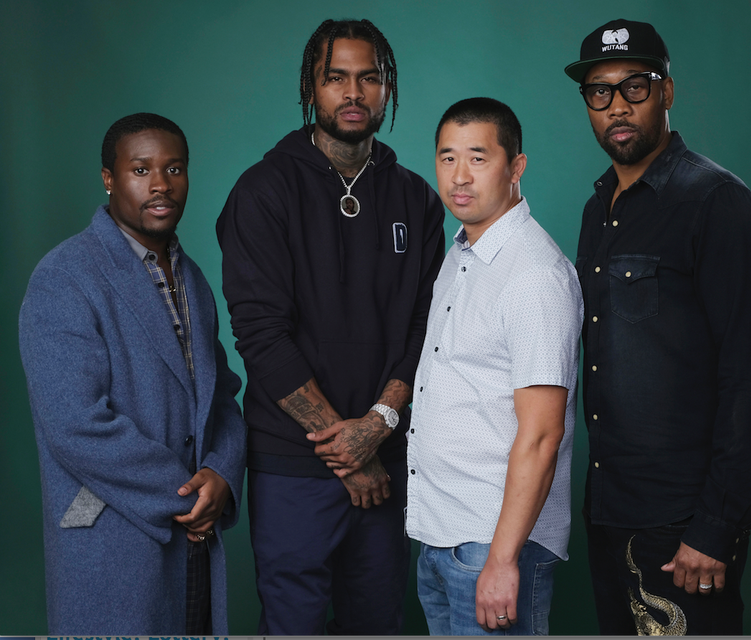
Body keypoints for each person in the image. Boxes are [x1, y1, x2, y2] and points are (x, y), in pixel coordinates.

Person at [216, 18, 446, 635]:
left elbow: (428, 328)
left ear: (387, 88)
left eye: (368, 78)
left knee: (378, 624)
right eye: (335, 78)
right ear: (310, 89)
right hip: (294, 465)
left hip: (389, 463)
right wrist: (346, 452)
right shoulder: (263, 192)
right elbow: (261, 334)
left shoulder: (417, 199)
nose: (353, 93)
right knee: (294, 626)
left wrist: (377, 426)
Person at [565, 19, 751, 635]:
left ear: (667, 91)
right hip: (610, 507)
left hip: (684, 523)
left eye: (635, 85)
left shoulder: (717, 203)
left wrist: (716, 525)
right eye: (599, 92)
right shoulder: (596, 207)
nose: (617, 106)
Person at [18, 113, 247, 634]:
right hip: (114, 538)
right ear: (108, 178)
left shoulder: (193, 278)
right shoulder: (65, 275)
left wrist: (222, 475)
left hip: (194, 541)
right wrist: (189, 495)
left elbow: (224, 400)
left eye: (174, 168)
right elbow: (75, 424)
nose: (160, 184)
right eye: (140, 169)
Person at [405, 97, 583, 636]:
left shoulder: (533, 275)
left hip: (496, 543)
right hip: (443, 534)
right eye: (447, 158)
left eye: (478, 158)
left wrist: (502, 560)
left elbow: (542, 433)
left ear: (516, 167)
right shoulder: (461, 254)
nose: (459, 177)